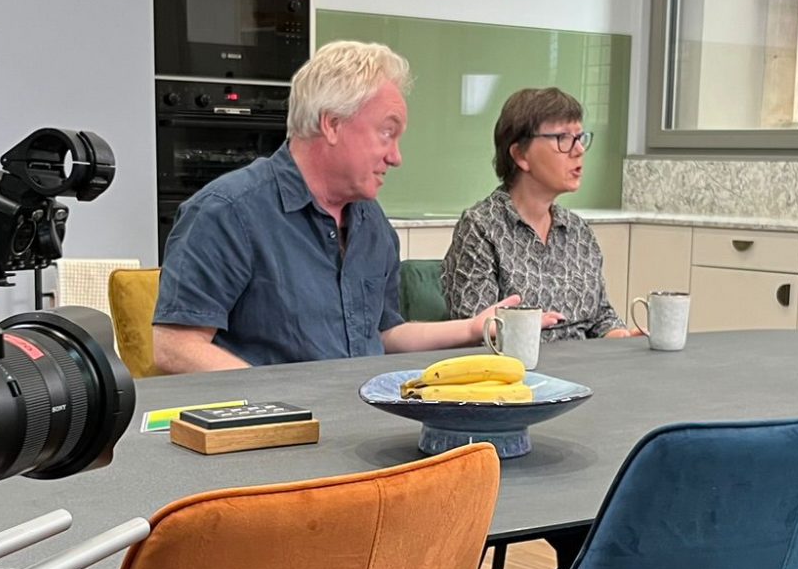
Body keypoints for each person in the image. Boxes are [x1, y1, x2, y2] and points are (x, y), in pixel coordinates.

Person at [150, 41, 545, 372]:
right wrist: (277, 405)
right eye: (386, 133)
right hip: (275, 431)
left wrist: (473, 329)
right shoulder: (227, 212)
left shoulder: (371, 222)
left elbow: (383, 334)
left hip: (362, 419)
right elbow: (174, 347)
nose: (396, 157)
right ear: (332, 124)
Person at [442, 88, 636, 340]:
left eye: (580, 137)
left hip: (587, 362)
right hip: (518, 363)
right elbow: (479, 333)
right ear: (521, 155)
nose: (579, 150)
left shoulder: (578, 230)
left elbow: (600, 318)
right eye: (563, 138)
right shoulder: (480, 228)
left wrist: (622, 336)